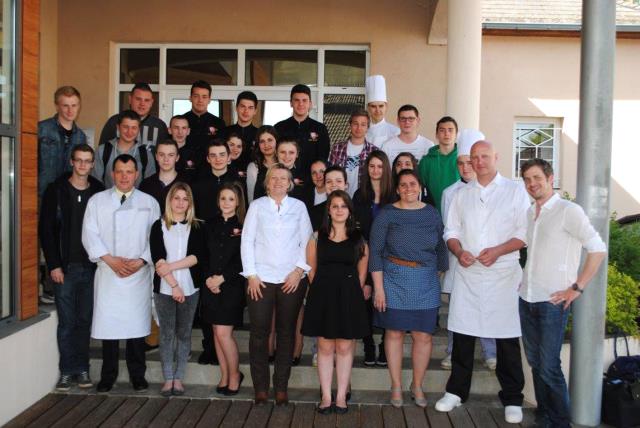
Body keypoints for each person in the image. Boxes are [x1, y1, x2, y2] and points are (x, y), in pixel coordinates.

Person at [435, 141, 529, 424]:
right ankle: (455, 391)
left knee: (506, 337)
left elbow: (525, 232)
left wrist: (499, 250)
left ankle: (512, 397)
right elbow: (451, 230)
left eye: (484, 156)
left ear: (496, 157)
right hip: (470, 272)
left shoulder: (516, 191)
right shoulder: (461, 194)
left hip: (503, 273)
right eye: (473, 157)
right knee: (463, 333)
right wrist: (459, 250)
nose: (479, 162)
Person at [520, 159, 606, 428]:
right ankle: (544, 416)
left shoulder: (569, 211)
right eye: (527, 179)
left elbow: (598, 248)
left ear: (550, 177)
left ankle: (560, 422)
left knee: (549, 367)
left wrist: (577, 287)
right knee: (535, 363)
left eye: (536, 178)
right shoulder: (530, 212)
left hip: (552, 302)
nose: (532, 184)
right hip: (527, 298)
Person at [82, 154, 160, 393]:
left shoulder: (150, 202)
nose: (124, 176)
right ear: (112, 174)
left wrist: (141, 260)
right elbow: (89, 234)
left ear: (137, 174)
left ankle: (138, 375)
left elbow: (156, 238)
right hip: (108, 273)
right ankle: (108, 375)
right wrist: (110, 260)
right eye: (119, 171)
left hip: (138, 273)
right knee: (110, 327)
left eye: (129, 171)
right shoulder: (97, 201)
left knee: (136, 328)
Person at [369, 170, 448, 408]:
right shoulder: (387, 214)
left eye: (412, 184)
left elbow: (441, 246)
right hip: (393, 278)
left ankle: (417, 384)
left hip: (426, 280)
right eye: (403, 185)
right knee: (394, 333)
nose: (408, 189)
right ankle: (395, 385)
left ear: (420, 187)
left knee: (422, 336)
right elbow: (375, 251)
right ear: (397, 189)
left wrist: (440, 270)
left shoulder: (431, 213)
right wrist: (379, 289)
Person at [241, 163, 313, 406]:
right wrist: (251, 274)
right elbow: (247, 239)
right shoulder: (257, 206)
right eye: (274, 178)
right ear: (267, 182)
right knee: (259, 333)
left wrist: (299, 271)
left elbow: (307, 241)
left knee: (286, 333)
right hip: (260, 280)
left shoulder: (299, 207)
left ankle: (281, 387)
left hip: (290, 280)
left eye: (284, 178)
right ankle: (260, 388)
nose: (279, 182)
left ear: (290, 183)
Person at [39, 144, 105, 391]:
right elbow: (46, 230)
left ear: (92, 164)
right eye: (79, 160)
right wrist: (54, 265)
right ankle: (67, 371)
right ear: (71, 162)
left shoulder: (99, 190)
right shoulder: (56, 190)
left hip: (91, 268)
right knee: (67, 322)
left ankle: (83, 369)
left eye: (87, 161)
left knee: (84, 320)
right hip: (64, 269)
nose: (83, 165)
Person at [302, 190, 370, 414]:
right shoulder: (316, 237)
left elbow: (362, 273)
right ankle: (325, 395)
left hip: (349, 295)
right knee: (324, 345)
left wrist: (351, 292)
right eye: (335, 206)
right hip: (322, 294)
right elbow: (310, 269)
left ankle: (341, 396)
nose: (339, 210)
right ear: (328, 211)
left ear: (349, 211)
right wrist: (321, 288)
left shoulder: (359, 238)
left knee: (343, 346)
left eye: (343, 206)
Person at [439, 129, 497, 371]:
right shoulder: (450, 193)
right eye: (461, 163)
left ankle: (490, 351)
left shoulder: (497, 191)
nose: (465, 167)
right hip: (460, 260)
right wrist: (458, 252)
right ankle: (453, 351)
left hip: (488, 261)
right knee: (458, 309)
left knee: (487, 308)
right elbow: (449, 229)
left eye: (469, 162)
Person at [150, 182, 207, 396]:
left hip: (190, 288)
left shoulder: (197, 226)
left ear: (190, 203)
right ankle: (168, 378)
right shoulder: (158, 225)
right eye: (177, 198)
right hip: (165, 288)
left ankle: (179, 377)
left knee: (184, 333)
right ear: (170, 200)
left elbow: (196, 257)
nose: (181, 203)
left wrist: (171, 268)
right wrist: (174, 285)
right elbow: (158, 259)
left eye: (185, 199)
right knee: (166, 333)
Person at [201, 183, 246, 396]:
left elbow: (243, 260)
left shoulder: (245, 226)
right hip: (210, 285)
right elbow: (203, 255)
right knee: (215, 333)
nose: (226, 203)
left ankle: (235, 374)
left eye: (231, 199)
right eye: (222, 198)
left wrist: (223, 279)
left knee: (223, 332)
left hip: (232, 287)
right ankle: (225, 374)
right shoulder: (209, 225)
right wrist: (210, 279)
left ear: (238, 202)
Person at [352, 150, 396, 367]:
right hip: (366, 256)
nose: (376, 170)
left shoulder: (394, 196)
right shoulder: (359, 196)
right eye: (372, 166)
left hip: (391, 258)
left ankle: (385, 346)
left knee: (390, 302)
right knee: (366, 300)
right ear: (366, 169)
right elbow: (356, 233)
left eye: (380, 166)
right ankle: (368, 344)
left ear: (385, 169)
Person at [38, 86, 88, 198]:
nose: (70, 110)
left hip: (67, 197)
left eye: (74, 105)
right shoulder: (41, 130)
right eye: (65, 105)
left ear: (79, 106)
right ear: (57, 106)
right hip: (41, 196)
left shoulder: (81, 137)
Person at [275, 84, 330, 183]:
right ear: (291, 103)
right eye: (296, 100)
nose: (300, 104)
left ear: (310, 103)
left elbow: (323, 158)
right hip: (284, 181)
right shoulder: (279, 128)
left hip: (311, 183)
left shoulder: (320, 128)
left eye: (304, 100)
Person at [93, 109, 156, 188]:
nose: (129, 132)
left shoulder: (146, 154)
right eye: (126, 127)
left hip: (137, 200)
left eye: (134, 128)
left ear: (139, 129)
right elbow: (95, 183)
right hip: (108, 199)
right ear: (118, 127)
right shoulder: (102, 151)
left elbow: (150, 185)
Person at [98, 83, 169, 150]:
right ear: (130, 99)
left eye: (146, 100)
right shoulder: (114, 121)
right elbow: (102, 152)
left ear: (151, 103)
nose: (142, 104)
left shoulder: (160, 126)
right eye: (138, 99)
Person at [191, 140, 243, 222]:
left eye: (222, 155)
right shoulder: (198, 183)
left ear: (229, 158)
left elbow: (242, 211)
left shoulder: (237, 183)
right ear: (208, 159)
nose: (217, 159)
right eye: (213, 155)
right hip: (205, 231)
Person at [328, 109, 376, 197]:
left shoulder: (374, 151)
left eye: (363, 124)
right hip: (340, 199)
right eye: (355, 124)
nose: (359, 128)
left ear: (367, 127)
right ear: (349, 125)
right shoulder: (337, 149)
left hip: (363, 200)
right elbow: (330, 175)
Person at [418, 116, 460, 214]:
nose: (446, 134)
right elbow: (421, 189)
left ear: (456, 134)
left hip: (459, 214)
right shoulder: (426, 161)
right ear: (436, 134)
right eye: (442, 130)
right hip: (434, 215)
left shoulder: (463, 159)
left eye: (450, 130)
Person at [139, 139, 188, 214]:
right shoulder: (145, 185)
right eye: (162, 155)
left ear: (177, 157)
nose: (166, 159)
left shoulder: (187, 184)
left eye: (171, 155)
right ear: (156, 157)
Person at [183, 80, 226, 153]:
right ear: (190, 98)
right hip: (184, 163)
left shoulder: (219, 123)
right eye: (196, 96)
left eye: (204, 97)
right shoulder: (181, 121)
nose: (200, 100)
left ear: (209, 100)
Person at [221, 91, 259, 172]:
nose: (246, 111)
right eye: (242, 106)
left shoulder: (259, 134)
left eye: (250, 107)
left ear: (255, 111)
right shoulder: (224, 132)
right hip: (227, 177)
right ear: (236, 108)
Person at [309, 165, 349, 231]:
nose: (333, 184)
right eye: (329, 181)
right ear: (324, 185)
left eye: (338, 181)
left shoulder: (356, 209)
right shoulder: (315, 212)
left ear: (346, 185)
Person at [364, 75, 400, 148]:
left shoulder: (395, 131)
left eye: (381, 106)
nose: (377, 110)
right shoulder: (362, 130)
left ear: (386, 106)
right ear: (368, 108)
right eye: (373, 106)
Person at [247, 126, 279, 203]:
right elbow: (251, 197)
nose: (266, 144)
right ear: (258, 144)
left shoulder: (284, 165)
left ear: (276, 141)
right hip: (260, 213)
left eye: (270, 140)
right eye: (262, 141)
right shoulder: (253, 167)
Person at [168, 115, 198, 183]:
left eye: (184, 128)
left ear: (188, 131)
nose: (180, 132)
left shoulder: (196, 154)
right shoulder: (163, 152)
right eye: (176, 128)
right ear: (169, 130)